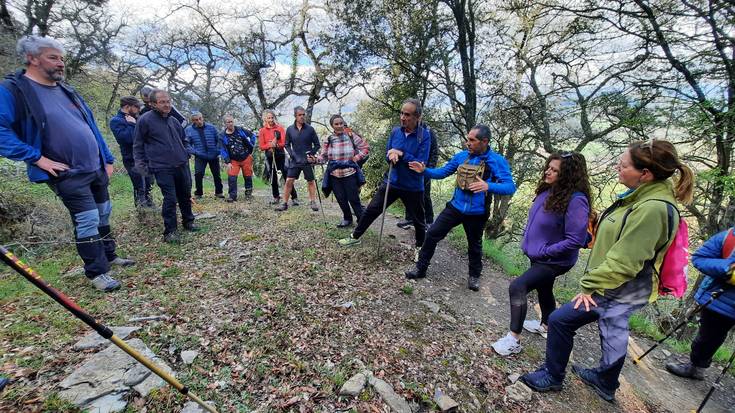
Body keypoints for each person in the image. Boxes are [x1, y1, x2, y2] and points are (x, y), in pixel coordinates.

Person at [519, 139, 694, 402]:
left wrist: (590, 284)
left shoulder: (652, 208)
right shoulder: (641, 197)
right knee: (613, 327)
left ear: (644, 174)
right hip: (622, 284)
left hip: (619, 285)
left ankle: (552, 376)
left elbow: (627, 260)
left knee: (560, 320)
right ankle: (605, 380)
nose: (617, 168)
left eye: (623, 165)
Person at [0, 35, 135, 292]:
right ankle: (97, 273)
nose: (60, 63)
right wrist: (36, 157)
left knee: (104, 211)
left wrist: (106, 158)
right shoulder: (14, 91)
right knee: (87, 219)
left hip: (94, 167)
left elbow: (91, 126)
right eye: (53, 57)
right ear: (32, 58)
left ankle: (109, 255)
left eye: (62, 58)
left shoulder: (67, 90)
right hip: (66, 172)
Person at [491, 152, 590, 355]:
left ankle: (513, 340)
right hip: (540, 255)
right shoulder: (548, 191)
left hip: (555, 260)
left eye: (555, 170)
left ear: (568, 176)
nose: (548, 172)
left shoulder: (576, 200)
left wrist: (546, 250)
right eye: (549, 167)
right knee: (545, 288)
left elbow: (575, 240)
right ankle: (546, 325)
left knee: (518, 287)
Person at [404, 125, 516, 291]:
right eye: (467, 139)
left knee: (475, 245)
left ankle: (474, 276)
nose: (467, 143)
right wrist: (424, 171)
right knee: (433, 233)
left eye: (472, 140)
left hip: (477, 213)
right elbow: (442, 173)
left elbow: (510, 187)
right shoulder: (462, 157)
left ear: (484, 141)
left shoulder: (496, 161)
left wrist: (488, 186)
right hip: (455, 208)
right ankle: (420, 268)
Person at [338, 98, 430, 253]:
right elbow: (387, 153)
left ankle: (420, 249)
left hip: (413, 186)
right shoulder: (395, 131)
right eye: (401, 113)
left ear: (417, 117)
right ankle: (355, 237)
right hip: (392, 181)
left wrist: (400, 154)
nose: (402, 117)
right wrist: (391, 156)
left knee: (418, 220)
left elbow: (420, 162)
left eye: (407, 115)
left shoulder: (424, 136)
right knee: (372, 209)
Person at [665, 227, 735, 380]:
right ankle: (696, 367)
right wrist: (727, 269)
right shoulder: (729, 236)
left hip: (721, 299)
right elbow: (699, 258)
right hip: (721, 299)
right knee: (708, 337)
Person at [133, 89, 198, 243]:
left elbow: (184, 140)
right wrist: (141, 165)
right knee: (170, 198)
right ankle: (170, 232)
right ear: (153, 103)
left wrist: (187, 151)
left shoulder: (173, 120)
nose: (166, 104)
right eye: (162, 102)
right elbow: (138, 145)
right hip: (162, 167)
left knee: (185, 194)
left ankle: (188, 222)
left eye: (168, 101)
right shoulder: (145, 120)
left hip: (181, 164)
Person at [319, 114, 369, 227]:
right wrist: (315, 160)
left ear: (343, 123)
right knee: (341, 198)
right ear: (332, 125)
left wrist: (356, 158)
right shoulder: (329, 139)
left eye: (341, 123)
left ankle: (361, 220)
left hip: (350, 173)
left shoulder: (351, 136)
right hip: (334, 174)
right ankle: (347, 219)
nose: (339, 126)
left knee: (353, 198)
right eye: (336, 124)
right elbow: (323, 156)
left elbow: (365, 148)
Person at [109, 96, 154, 208]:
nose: (139, 109)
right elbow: (128, 139)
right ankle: (142, 213)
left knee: (149, 185)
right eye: (136, 107)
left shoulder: (136, 118)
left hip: (145, 158)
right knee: (140, 187)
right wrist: (132, 124)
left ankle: (151, 210)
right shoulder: (116, 121)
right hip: (131, 159)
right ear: (127, 107)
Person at [276, 106, 321, 212]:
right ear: (295, 116)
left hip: (307, 161)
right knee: (289, 181)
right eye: (299, 115)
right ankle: (284, 203)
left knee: (310, 181)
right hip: (295, 160)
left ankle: (312, 202)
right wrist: (292, 155)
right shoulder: (290, 129)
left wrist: (311, 154)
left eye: (303, 115)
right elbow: (286, 145)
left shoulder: (310, 129)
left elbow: (317, 145)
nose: (302, 117)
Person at [397, 123, 439, 229]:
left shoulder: (428, 131)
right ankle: (409, 219)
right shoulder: (407, 130)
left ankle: (429, 221)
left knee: (425, 194)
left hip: (424, 169)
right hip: (410, 167)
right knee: (408, 193)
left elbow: (434, 152)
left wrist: (429, 169)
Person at [258, 110, 297, 205]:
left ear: (274, 118)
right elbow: (261, 146)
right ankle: (276, 197)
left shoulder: (280, 128)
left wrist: (276, 145)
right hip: (270, 156)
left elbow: (284, 143)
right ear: (265, 119)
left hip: (280, 155)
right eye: (269, 118)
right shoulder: (262, 130)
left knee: (287, 175)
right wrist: (270, 145)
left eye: (272, 117)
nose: (271, 120)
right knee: (273, 177)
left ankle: (294, 197)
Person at [185, 111, 224, 199]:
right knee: (198, 174)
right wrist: (194, 152)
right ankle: (198, 193)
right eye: (196, 120)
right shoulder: (189, 130)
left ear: (202, 118)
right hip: (200, 155)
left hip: (213, 155)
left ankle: (219, 192)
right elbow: (187, 143)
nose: (199, 121)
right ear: (192, 121)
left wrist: (217, 151)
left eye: (200, 119)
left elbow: (219, 140)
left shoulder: (212, 127)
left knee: (216, 174)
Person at [220, 115, 256, 202]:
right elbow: (222, 150)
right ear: (225, 124)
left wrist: (251, 147)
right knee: (232, 177)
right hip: (233, 160)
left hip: (246, 157)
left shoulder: (240, 130)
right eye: (228, 122)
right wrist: (227, 162)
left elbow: (253, 136)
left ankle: (248, 194)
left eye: (231, 121)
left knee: (248, 176)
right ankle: (232, 196)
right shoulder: (222, 135)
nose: (230, 123)